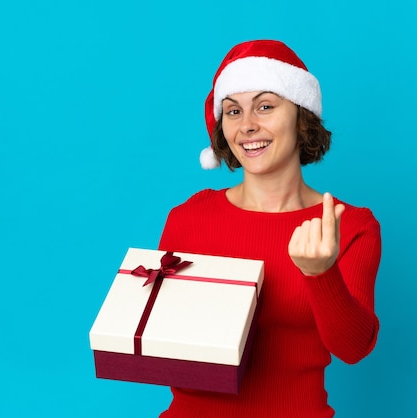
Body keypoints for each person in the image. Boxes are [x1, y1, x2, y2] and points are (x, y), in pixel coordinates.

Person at [157, 40, 381, 418]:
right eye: (232, 111)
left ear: (301, 116)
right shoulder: (188, 218)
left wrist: (320, 273)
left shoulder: (350, 225)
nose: (247, 126)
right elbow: (164, 348)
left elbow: (354, 348)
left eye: (265, 106)